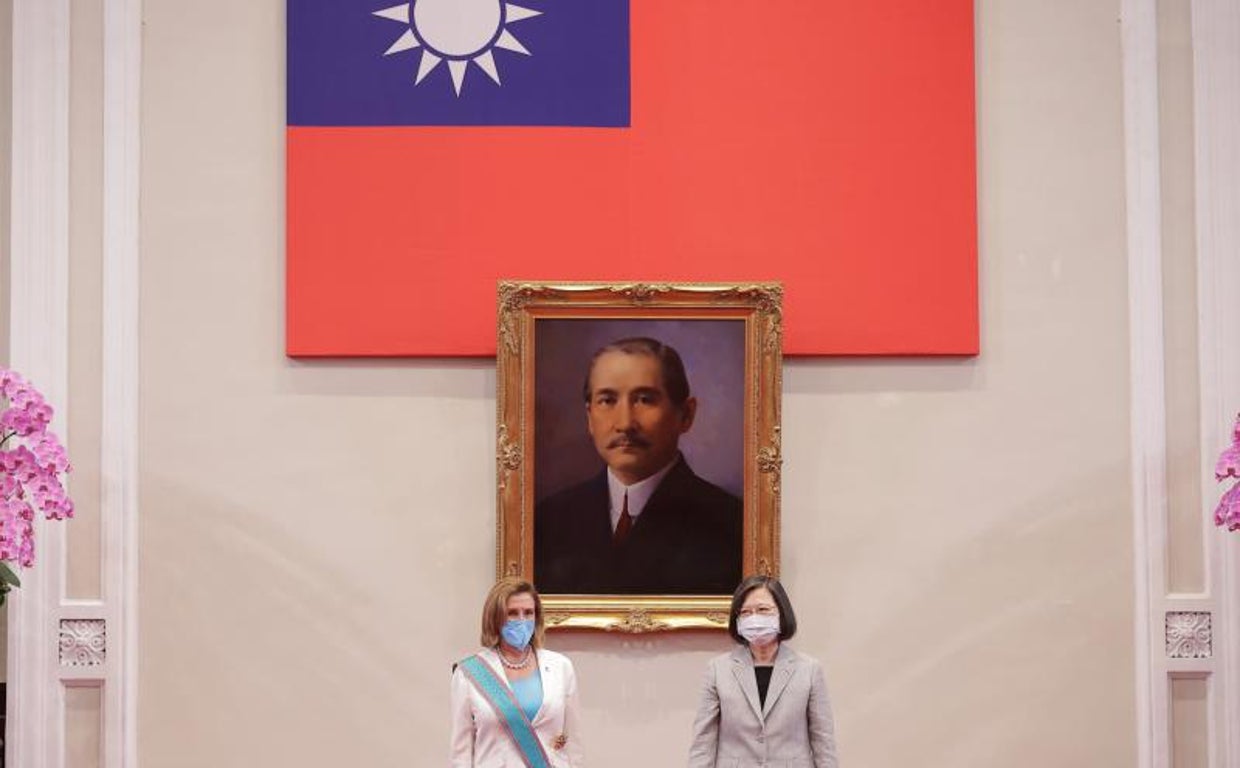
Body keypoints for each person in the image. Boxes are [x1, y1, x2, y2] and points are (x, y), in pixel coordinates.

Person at [535, 337, 743, 594]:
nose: (625, 423)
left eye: (644, 399)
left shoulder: (732, 525)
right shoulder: (547, 521)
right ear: (589, 417)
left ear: (686, 415)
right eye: (608, 400)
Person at [688, 576, 838, 768]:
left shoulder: (809, 670)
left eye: (763, 610)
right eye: (746, 612)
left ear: (781, 613)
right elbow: (703, 744)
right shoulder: (718, 670)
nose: (754, 618)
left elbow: (823, 743)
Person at [450, 578, 584, 767]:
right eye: (512, 613)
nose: (522, 620)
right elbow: (460, 754)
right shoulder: (469, 674)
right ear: (495, 618)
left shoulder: (560, 667)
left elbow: (572, 744)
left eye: (528, 613)